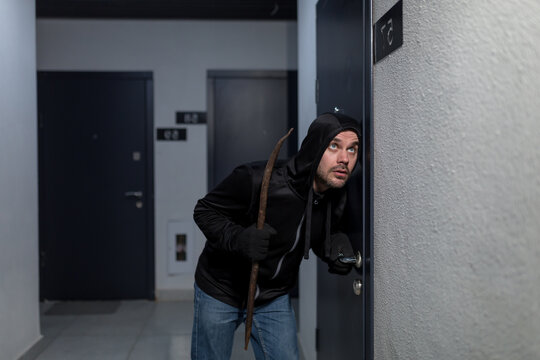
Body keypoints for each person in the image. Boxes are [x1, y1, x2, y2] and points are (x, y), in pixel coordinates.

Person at [191, 113, 361, 359]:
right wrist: (238, 238)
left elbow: (312, 232)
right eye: (334, 146)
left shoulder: (334, 194)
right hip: (220, 290)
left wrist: (333, 246)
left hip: (273, 297)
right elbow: (205, 211)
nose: (345, 158)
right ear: (315, 147)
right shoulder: (257, 179)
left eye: (352, 149)